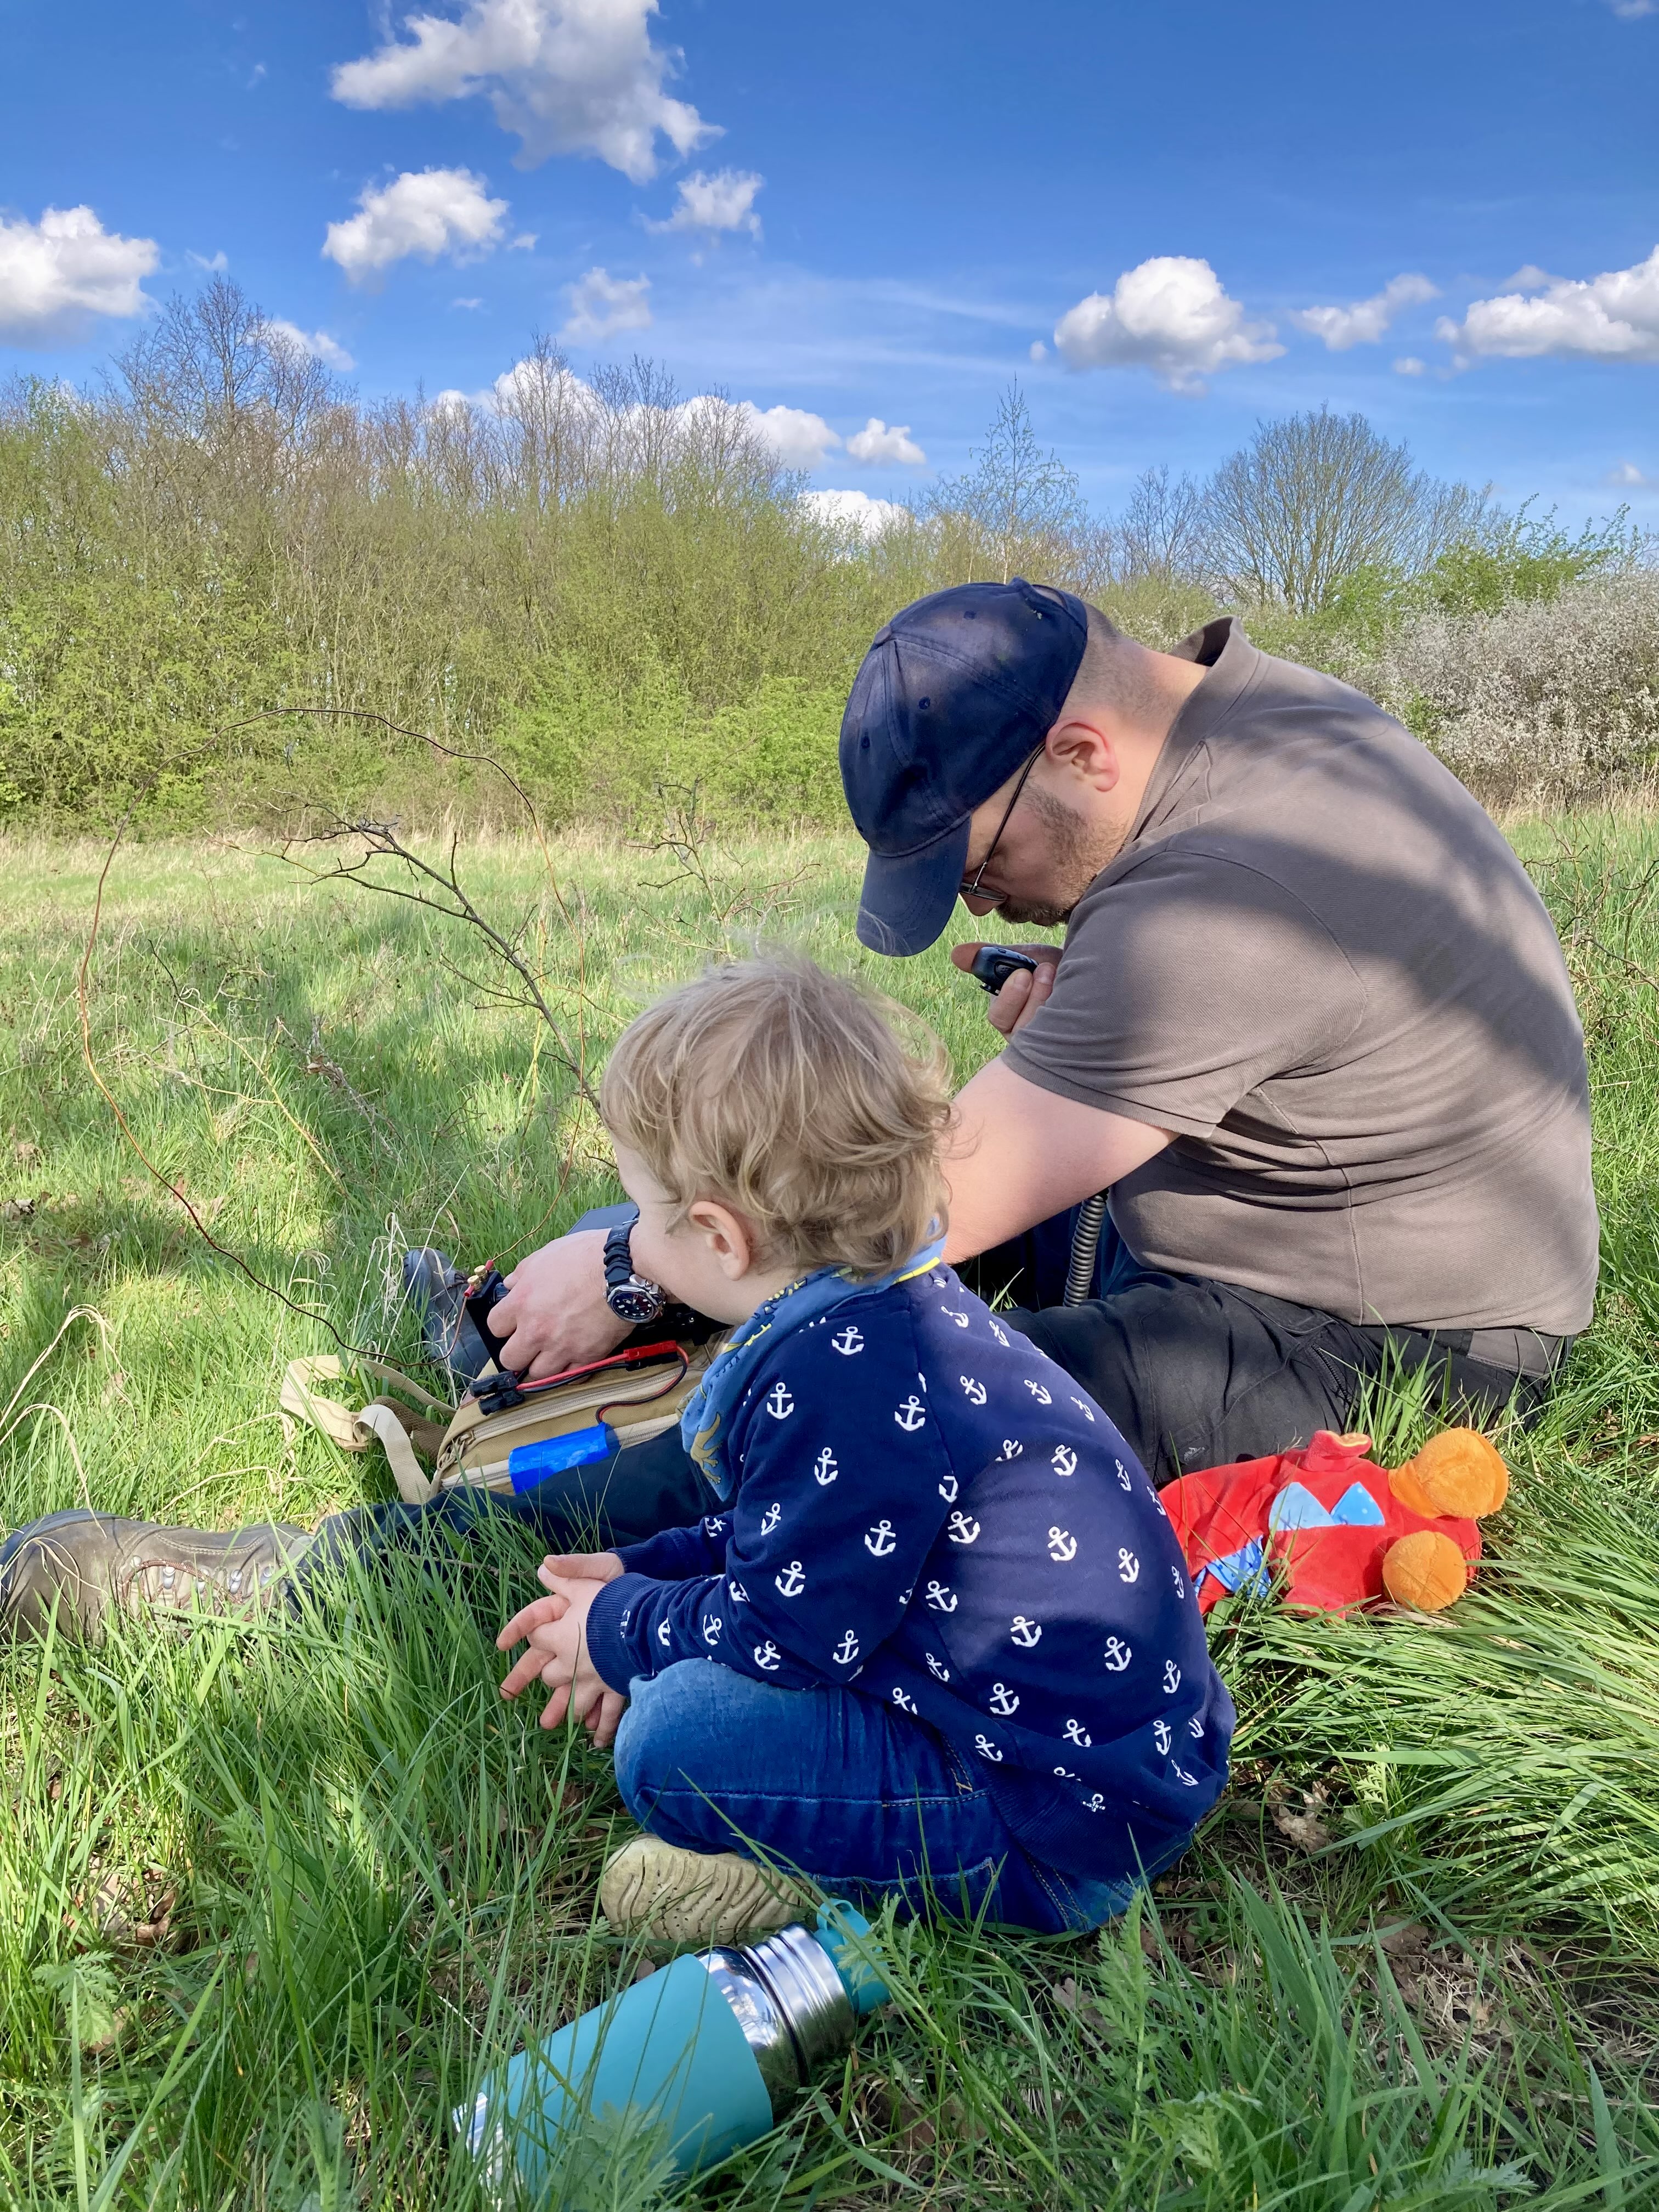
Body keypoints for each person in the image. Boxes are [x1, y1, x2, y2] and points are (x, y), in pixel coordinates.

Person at [1, 577, 1596, 1630]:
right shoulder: (1266, 726)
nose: (985, 900)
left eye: (981, 859)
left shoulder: (1227, 890)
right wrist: (1098, 1012)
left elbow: (894, 1222)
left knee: (864, 1400)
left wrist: (629, 1264)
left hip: (1373, 1349)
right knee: (787, 1243)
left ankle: (339, 1583)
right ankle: (567, 1371)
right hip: (1266, 1237)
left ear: (1082, 750)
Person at [494, 956, 1232, 1942]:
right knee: (684, 1678)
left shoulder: (841, 1386)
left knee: (671, 1735)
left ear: (720, 1237)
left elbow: (789, 1631)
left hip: (1053, 1832)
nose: (636, 1240)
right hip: (1109, 1763)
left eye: (641, 1218)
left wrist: (620, 1631)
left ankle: (815, 1880)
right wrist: (644, 1568)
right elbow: (790, 1531)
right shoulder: (887, 1317)